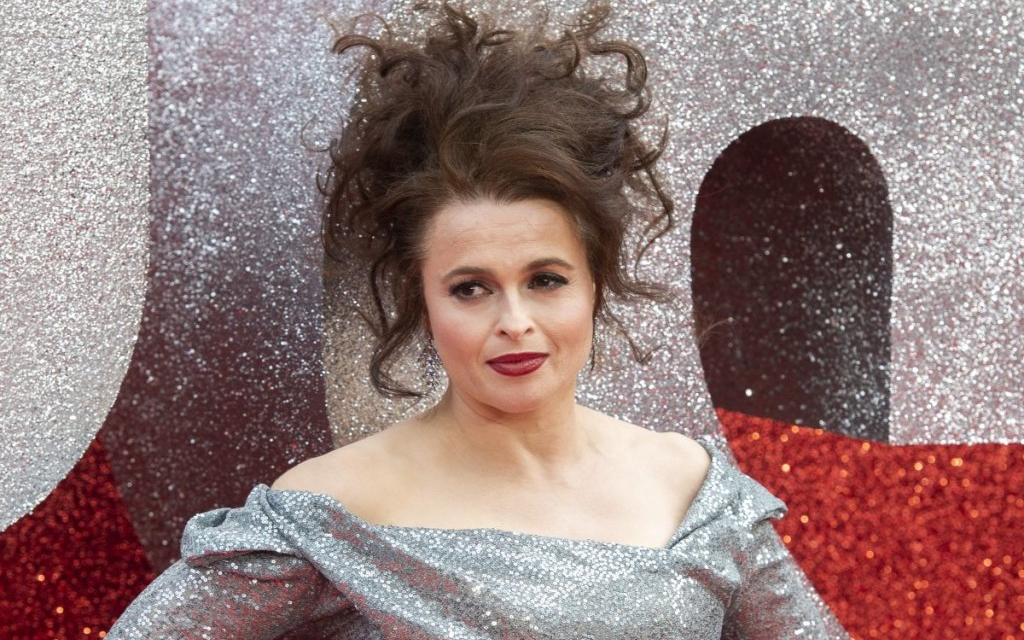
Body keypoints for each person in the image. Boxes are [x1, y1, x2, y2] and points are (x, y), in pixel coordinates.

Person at [108, 3, 831, 638]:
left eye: (545, 280)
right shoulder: (332, 511)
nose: (514, 321)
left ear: (593, 285)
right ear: (421, 299)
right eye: (471, 289)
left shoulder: (693, 490)